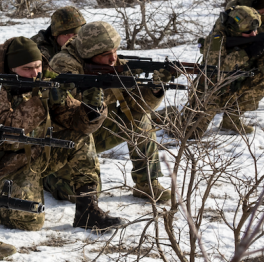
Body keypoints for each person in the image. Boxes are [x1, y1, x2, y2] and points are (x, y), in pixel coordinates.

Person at [0, 35, 119, 231]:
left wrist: (92, 108)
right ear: (11, 69)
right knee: (31, 220)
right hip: (1, 169)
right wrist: (40, 100)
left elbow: (76, 123)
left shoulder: (44, 81)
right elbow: (5, 137)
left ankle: (87, 210)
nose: (35, 73)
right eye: (27, 69)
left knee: (80, 137)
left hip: (36, 157)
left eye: (38, 66)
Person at [42, 24, 171, 204]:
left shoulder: (113, 63)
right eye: (105, 55)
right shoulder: (63, 64)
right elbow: (63, 113)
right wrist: (95, 91)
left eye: (115, 51)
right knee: (81, 193)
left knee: (139, 117)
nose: (113, 59)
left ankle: (147, 183)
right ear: (88, 54)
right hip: (64, 139)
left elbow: (138, 106)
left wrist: (155, 89)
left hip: (96, 129)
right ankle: (45, 178)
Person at [177, 5, 264, 138]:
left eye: (255, 30)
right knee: (189, 134)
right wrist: (247, 53)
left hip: (234, 90)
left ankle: (231, 119)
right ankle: (164, 115)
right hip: (211, 92)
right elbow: (217, 68)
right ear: (233, 29)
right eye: (248, 32)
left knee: (263, 77)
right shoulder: (216, 39)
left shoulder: (256, 38)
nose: (253, 34)